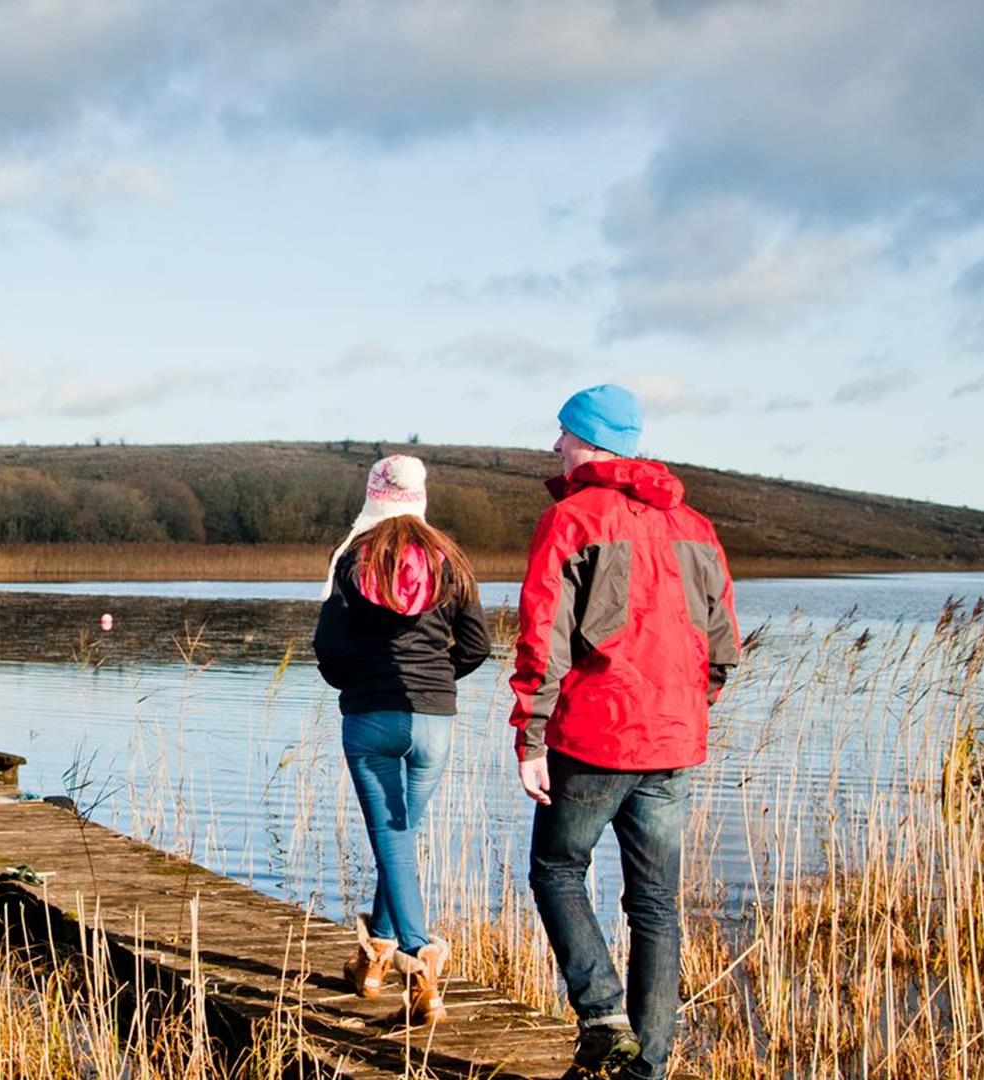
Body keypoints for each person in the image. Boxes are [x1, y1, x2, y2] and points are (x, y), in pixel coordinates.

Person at [509, 385, 741, 1079]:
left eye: (563, 433)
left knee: (555, 868)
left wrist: (530, 736)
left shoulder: (572, 520)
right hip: (673, 741)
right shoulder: (695, 526)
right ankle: (650, 1068)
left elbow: (542, 638)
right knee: (654, 905)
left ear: (590, 439)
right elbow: (723, 642)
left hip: (595, 735)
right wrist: (692, 705)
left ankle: (604, 1015)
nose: (554, 445)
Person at [313, 454, 490, 1023]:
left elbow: (329, 649)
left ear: (372, 497)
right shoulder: (451, 560)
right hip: (435, 721)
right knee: (400, 842)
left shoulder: (354, 559)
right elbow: (477, 645)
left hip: (371, 720)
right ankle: (372, 964)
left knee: (393, 843)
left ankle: (419, 958)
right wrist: (438, 680)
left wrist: (359, 683)